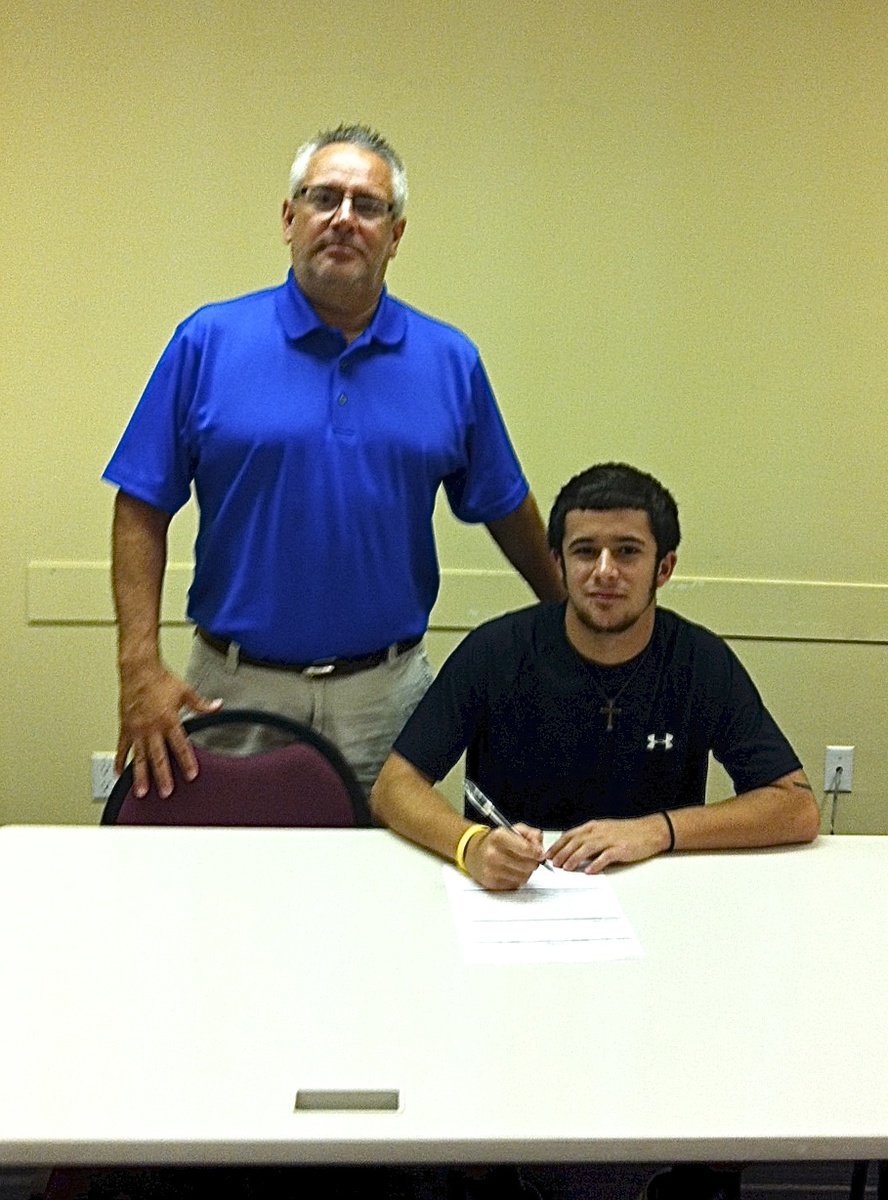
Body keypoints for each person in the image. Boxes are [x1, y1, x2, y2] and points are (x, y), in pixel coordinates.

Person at [372, 461, 819, 1200]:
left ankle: (699, 1180)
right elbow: (395, 785)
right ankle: (487, 1178)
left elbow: (794, 804)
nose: (604, 572)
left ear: (664, 567)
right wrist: (469, 845)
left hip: (660, 922)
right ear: (558, 562)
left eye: (628, 552)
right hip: (514, 912)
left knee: (728, 1027)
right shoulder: (498, 649)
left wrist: (660, 830)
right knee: (475, 1064)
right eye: (585, 552)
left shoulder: (698, 659)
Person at [104, 123, 563, 800]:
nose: (344, 219)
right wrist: (138, 667)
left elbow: (505, 505)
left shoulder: (449, 360)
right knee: (228, 891)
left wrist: (568, 622)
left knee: (388, 894)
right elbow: (141, 503)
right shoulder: (208, 342)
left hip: (388, 699)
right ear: (290, 219)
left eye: (368, 206)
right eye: (324, 198)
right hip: (232, 693)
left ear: (396, 235)